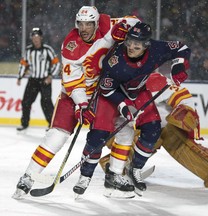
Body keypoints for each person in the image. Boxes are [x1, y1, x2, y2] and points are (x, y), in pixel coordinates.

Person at [12, 5, 139, 199]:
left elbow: (134, 21)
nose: (84, 28)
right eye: (81, 23)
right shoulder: (71, 45)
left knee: (125, 129)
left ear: (96, 23)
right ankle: (28, 176)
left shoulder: (106, 23)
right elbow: (73, 83)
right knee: (56, 137)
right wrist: (81, 105)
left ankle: (114, 174)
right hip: (73, 95)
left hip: (103, 93)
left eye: (89, 24)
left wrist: (125, 28)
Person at [72, 21, 191, 198]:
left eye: (137, 44)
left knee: (153, 129)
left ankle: (133, 169)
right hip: (111, 95)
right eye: (129, 42)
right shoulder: (115, 60)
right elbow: (106, 88)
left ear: (146, 45)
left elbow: (182, 48)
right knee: (98, 135)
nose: (131, 47)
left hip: (137, 91)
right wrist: (123, 107)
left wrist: (178, 66)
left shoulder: (157, 49)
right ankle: (85, 175)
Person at [16, 27, 60, 131]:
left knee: (46, 102)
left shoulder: (47, 50)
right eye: (33, 37)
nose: (35, 39)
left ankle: (52, 124)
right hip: (33, 80)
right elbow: (23, 64)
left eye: (37, 37)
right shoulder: (28, 51)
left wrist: (50, 76)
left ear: (41, 37)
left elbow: (57, 64)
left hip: (45, 80)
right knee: (26, 102)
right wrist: (20, 76)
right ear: (31, 38)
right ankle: (24, 124)